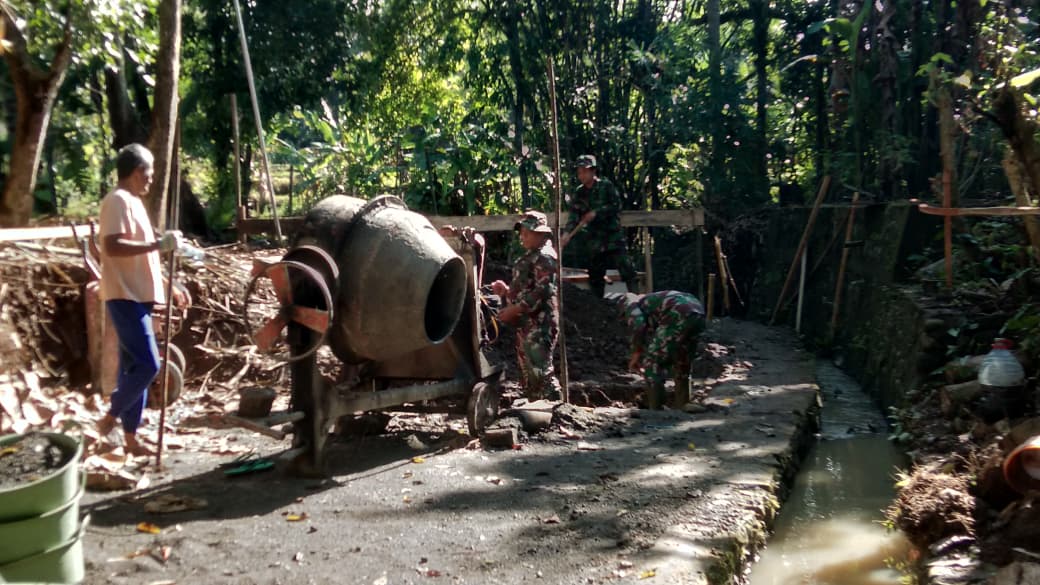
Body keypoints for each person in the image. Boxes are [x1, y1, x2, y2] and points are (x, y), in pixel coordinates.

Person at [96, 143, 186, 456]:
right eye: (148, 173)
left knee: (132, 368)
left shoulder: (134, 203)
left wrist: (168, 284)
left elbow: (143, 255)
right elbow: (113, 246)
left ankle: (131, 439)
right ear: (137, 172)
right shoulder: (117, 201)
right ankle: (108, 418)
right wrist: (158, 244)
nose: (151, 179)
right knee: (149, 365)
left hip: (139, 296)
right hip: (124, 296)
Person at [491, 210, 562, 401]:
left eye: (527, 233)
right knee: (527, 369)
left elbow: (542, 290)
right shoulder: (532, 256)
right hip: (527, 323)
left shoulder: (545, 257)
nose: (522, 237)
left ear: (541, 234)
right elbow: (526, 287)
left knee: (540, 369)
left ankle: (554, 405)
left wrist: (515, 309)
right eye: (521, 233)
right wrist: (506, 291)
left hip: (540, 323)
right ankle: (535, 406)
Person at [609, 290, 705, 410]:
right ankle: (683, 403)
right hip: (698, 313)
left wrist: (636, 352)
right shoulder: (651, 301)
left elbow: (638, 325)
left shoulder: (631, 304)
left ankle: (656, 408)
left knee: (652, 361)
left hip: (677, 314)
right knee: (683, 358)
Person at [560, 154, 637, 298]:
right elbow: (574, 215)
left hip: (612, 237)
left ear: (593, 171)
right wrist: (566, 234)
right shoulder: (579, 192)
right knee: (595, 276)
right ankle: (600, 307)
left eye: (585, 171)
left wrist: (597, 212)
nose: (581, 175)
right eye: (579, 171)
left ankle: (636, 298)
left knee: (627, 270)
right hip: (594, 241)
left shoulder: (606, 186)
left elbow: (616, 206)